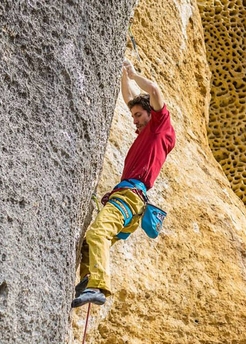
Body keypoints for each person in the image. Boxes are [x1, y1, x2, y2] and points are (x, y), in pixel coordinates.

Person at [71, 58, 176, 308]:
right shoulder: (146, 133)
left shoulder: (161, 129)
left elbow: (154, 92)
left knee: (98, 233)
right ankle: (88, 279)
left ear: (152, 114)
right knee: (90, 244)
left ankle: (98, 286)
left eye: (139, 115)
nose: (134, 120)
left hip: (129, 198)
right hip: (130, 202)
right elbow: (131, 97)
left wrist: (134, 73)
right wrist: (123, 75)